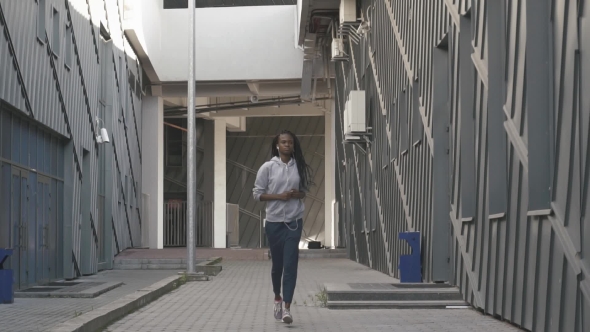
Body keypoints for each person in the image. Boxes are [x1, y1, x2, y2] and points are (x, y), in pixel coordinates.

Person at [252, 130, 313, 324]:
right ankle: (277, 297)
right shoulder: (267, 167)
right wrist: (279, 196)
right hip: (274, 223)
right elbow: (257, 194)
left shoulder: (299, 167)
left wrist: (297, 194)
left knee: (290, 265)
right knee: (277, 266)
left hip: (294, 222)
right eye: (283, 142)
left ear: (294, 146)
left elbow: (304, 192)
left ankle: (287, 308)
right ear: (277, 145)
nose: (287, 145)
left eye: (290, 142)